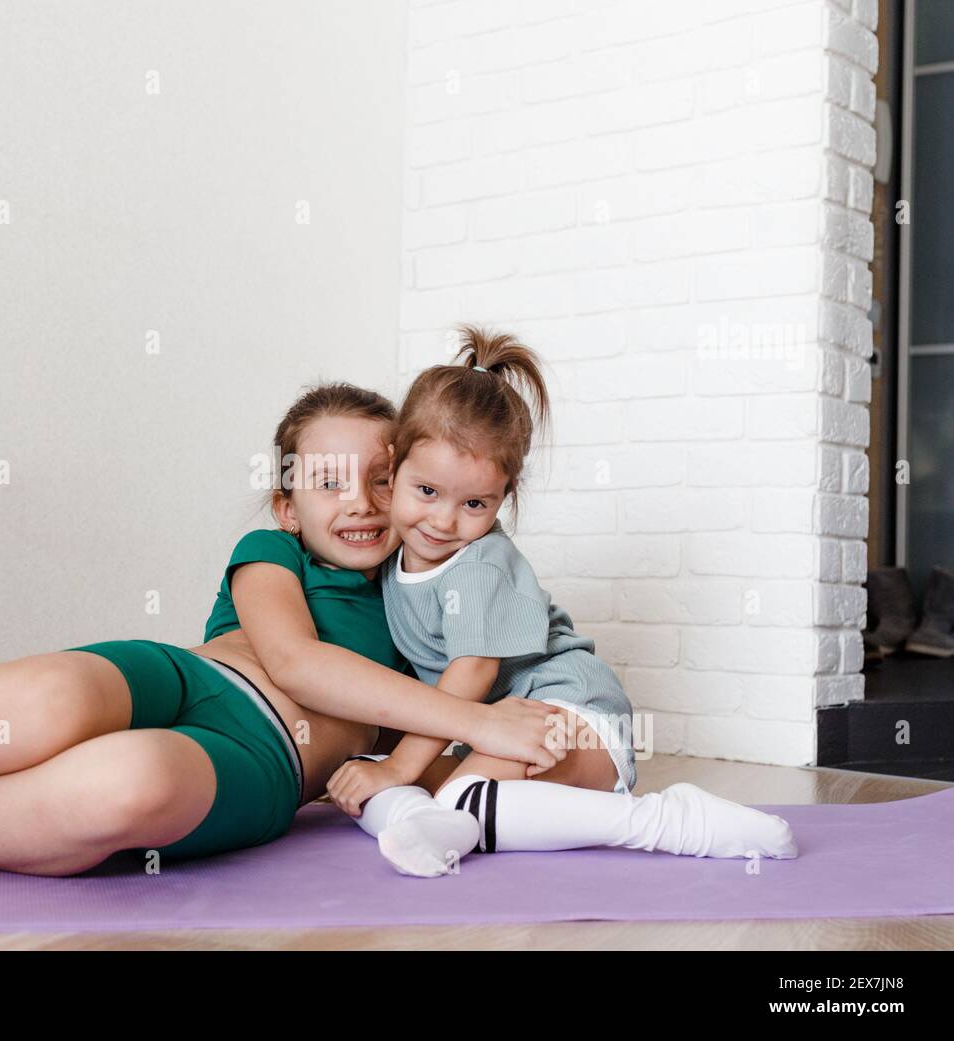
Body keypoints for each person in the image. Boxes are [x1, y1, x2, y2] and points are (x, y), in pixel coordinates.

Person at [0, 381, 563, 874]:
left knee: (124, 787)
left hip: (259, 763)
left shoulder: (428, 597)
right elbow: (295, 662)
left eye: (384, 479)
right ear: (286, 503)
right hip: (184, 676)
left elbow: (459, 690)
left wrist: (444, 755)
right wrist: (478, 722)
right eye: (329, 480)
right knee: (37, 705)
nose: (361, 503)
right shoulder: (272, 549)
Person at [324, 324, 799, 877]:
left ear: (505, 497)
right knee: (366, 772)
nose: (443, 520)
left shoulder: (479, 566)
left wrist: (406, 763)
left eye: (474, 502)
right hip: (501, 725)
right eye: (426, 491)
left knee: (453, 794)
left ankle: (669, 821)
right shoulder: (396, 557)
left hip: (571, 718)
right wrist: (392, 769)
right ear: (392, 468)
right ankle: (431, 820)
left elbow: (472, 672)